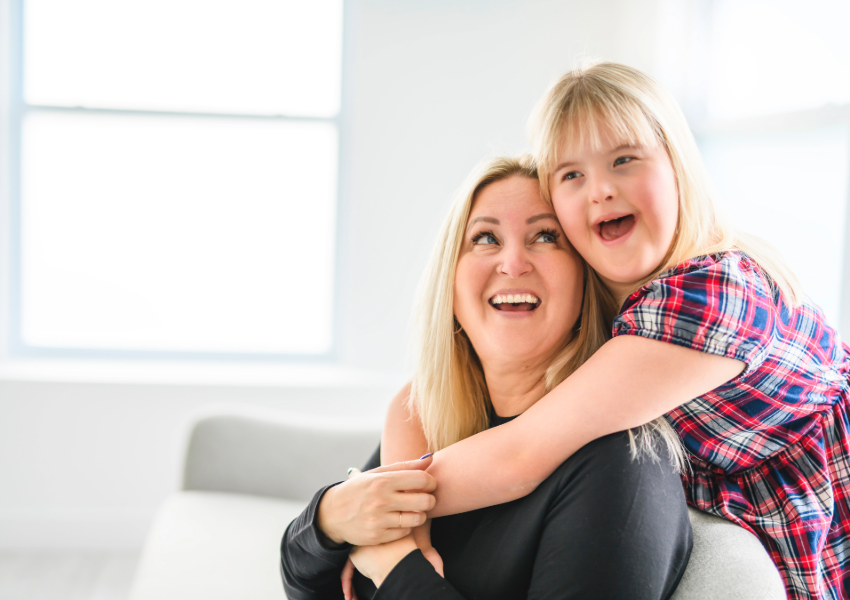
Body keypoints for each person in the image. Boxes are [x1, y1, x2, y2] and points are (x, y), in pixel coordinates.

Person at [381, 61, 850, 600]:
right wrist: (397, 522)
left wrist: (374, 512)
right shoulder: (610, 303)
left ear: (677, 167)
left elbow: (520, 454)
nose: (600, 190)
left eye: (624, 161)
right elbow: (421, 398)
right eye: (572, 175)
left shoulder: (712, 295)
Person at [280, 155, 692, 599]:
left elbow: (372, 572)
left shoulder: (623, 462)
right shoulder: (430, 420)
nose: (513, 263)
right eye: (485, 238)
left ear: (585, 279)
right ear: (451, 279)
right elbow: (311, 589)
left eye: (546, 236)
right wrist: (328, 516)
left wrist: (396, 568)